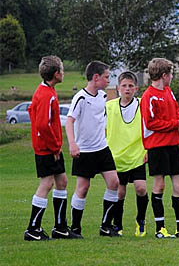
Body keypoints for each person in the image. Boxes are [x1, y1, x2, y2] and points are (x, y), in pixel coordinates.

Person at [140, 58, 179, 239]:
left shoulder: (168, 92)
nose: (172, 77)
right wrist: (176, 123)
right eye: (171, 74)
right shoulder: (149, 96)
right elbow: (151, 123)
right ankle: (160, 229)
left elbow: (175, 112)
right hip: (157, 147)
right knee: (159, 185)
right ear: (164, 75)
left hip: (173, 145)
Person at [24, 55, 82, 241]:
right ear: (56, 74)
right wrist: (54, 146)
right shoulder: (46, 95)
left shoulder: (47, 91)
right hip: (47, 149)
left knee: (62, 181)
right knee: (47, 184)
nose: (63, 74)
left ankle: (60, 227)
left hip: (49, 147)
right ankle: (33, 229)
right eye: (62, 71)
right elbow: (42, 125)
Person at [66, 60, 120, 238]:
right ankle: (75, 228)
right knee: (83, 188)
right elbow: (70, 121)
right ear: (96, 77)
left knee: (114, 183)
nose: (108, 80)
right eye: (106, 77)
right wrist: (73, 143)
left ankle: (106, 226)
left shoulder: (103, 96)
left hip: (102, 148)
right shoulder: (80, 97)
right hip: (85, 151)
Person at [106, 71, 149, 237]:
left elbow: (149, 128)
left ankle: (141, 220)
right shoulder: (109, 107)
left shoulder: (142, 104)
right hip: (116, 157)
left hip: (138, 155)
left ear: (136, 88)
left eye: (131, 86)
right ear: (118, 88)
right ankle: (117, 224)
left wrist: (148, 149)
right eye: (124, 86)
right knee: (120, 192)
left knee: (141, 188)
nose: (127, 89)